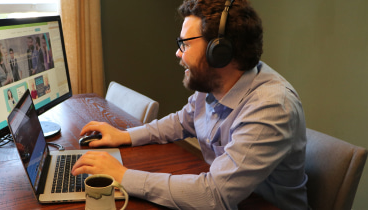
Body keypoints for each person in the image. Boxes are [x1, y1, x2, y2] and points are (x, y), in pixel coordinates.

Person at [72, 0, 308, 209]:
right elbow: (181, 121)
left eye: (185, 43)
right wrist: (125, 135)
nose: (178, 52)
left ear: (219, 52)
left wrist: (123, 176)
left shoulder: (272, 107)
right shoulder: (215, 83)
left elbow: (214, 195)